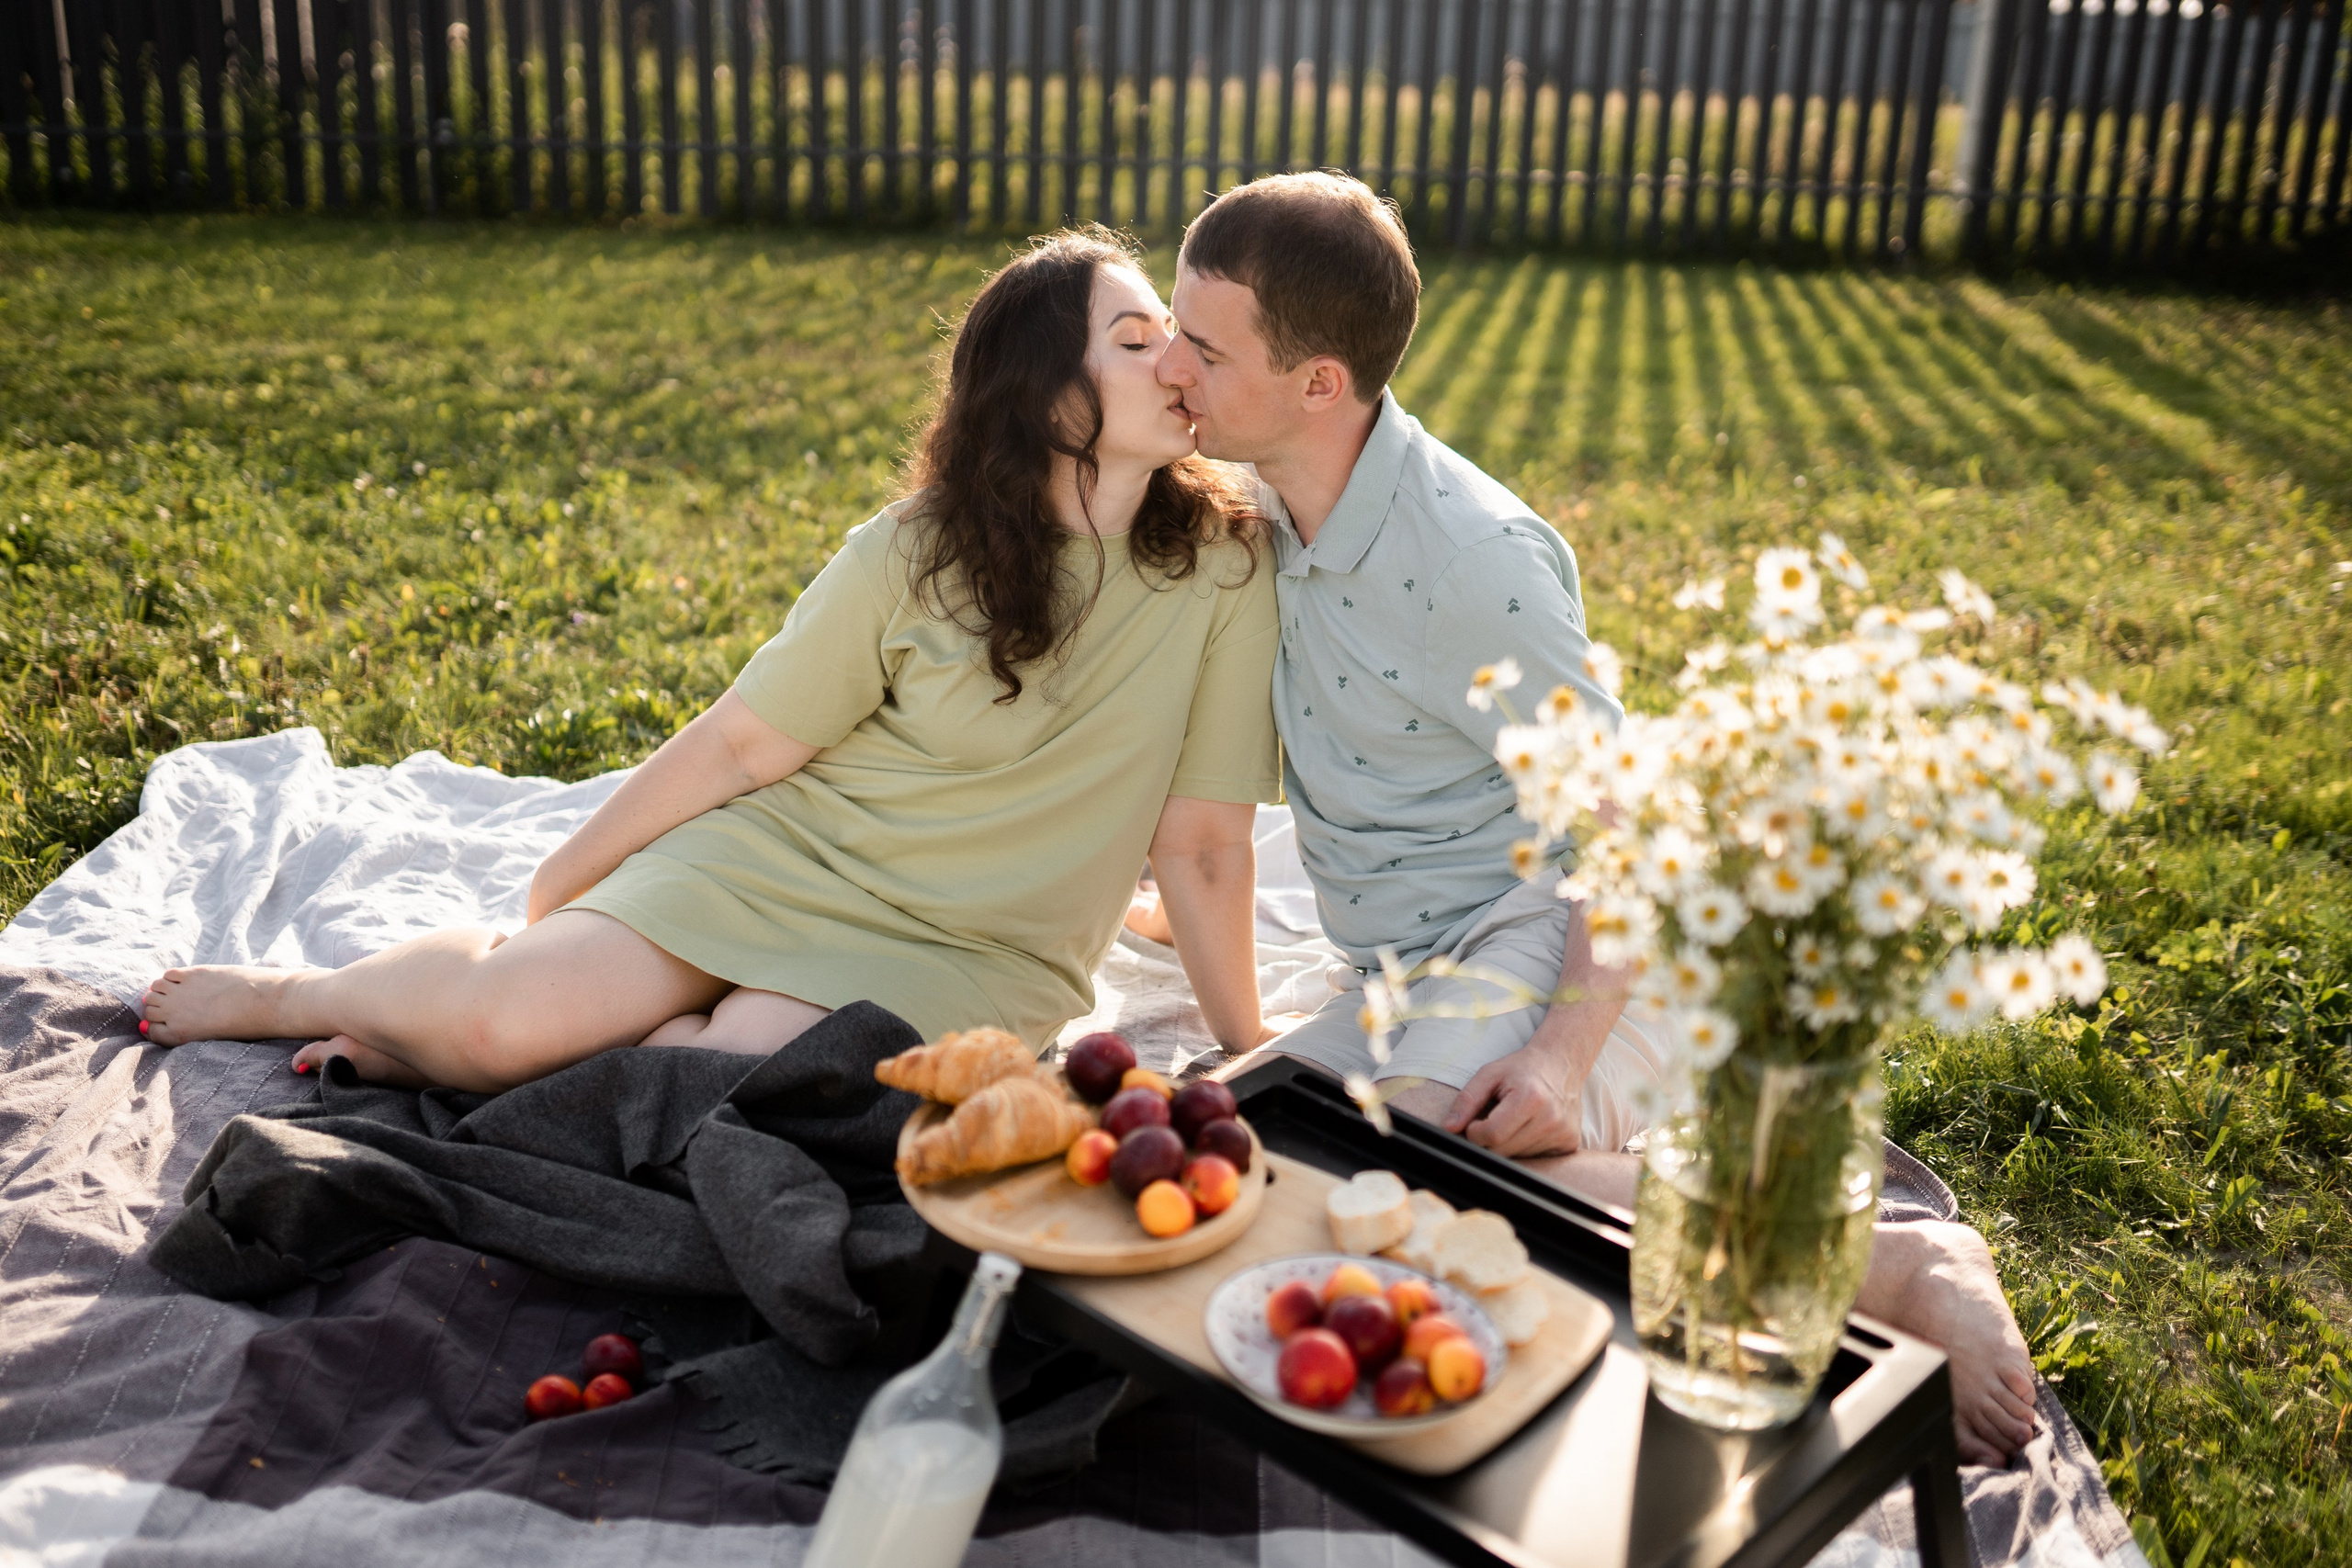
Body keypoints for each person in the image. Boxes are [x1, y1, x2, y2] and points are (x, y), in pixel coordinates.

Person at [1156, 172, 2042, 1469]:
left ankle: (1882, 1260)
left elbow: (1632, 830)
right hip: (1412, 958)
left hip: (1557, 929)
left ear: (1320, 384)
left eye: (1203, 345)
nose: (1174, 365)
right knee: (1256, 1145)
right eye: (1171, 328)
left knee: (1400, 1180)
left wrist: (1564, 1059)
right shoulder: (1272, 502)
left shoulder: (1472, 560)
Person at [136, 230, 1283, 1091]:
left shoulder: (1226, 566)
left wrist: (1251, 1054)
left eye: (1173, 340)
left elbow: (1203, 840)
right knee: (501, 1019)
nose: (1177, 363)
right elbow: (744, 742)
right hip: (786, 860)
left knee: (725, 1093)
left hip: (979, 950)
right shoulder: (914, 550)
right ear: (1040, 399)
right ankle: (312, 998)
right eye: (1137, 342)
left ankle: (453, 1050)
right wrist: (560, 884)